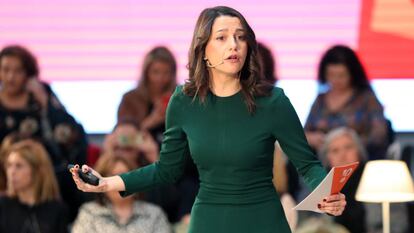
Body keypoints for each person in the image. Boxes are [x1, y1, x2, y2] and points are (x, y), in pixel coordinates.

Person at [70, 6, 346, 233]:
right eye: (222, 37)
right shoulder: (183, 101)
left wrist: (328, 194)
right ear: (203, 49)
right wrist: (108, 182)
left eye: (240, 37)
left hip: (264, 221)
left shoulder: (273, 101)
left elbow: (307, 164)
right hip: (209, 220)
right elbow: (167, 170)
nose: (233, 45)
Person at [0, 44, 89, 221]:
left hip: (48, 176)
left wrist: (46, 105)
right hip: (6, 177)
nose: (10, 77)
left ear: (29, 74)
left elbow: (70, 134)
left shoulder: (42, 95)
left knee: (71, 174)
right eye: (5, 70)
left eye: (18, 71)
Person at [304, 45, 390, 160]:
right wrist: (311, 138)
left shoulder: (367, 99)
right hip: (323, 167)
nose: (336, 80)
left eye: (341, 75)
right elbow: (304, 133)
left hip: (359, 164)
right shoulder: (320, 100)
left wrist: (349, 144)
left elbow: (379, 135)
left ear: (352, 74)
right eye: (331, 75)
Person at [72, 154, 171, 233]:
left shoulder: (154, 214)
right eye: (113, 176)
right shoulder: (90, 212)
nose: (119, 185)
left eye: (124, 177)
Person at [0, 140, 69, 233]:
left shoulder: (57, 210)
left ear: (38, 170)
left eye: (19, 166)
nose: (11, 172)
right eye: (9, 165)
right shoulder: (3, 205)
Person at [117, 46, 177, 146]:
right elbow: (123, 140)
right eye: (155, 72)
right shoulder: (130, 99)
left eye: (166, 73)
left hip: (173, 157)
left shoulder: (179, 98)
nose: (160, 78)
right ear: (146, 73)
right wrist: (151, 121)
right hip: (139, 160)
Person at [319, 127, 367, 233]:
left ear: (359, 151)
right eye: (335, 151)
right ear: (327, 158)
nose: (342, 155)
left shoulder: (374, 176)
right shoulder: (319, 182)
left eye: (348, 147)